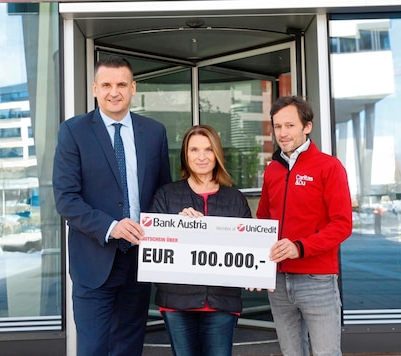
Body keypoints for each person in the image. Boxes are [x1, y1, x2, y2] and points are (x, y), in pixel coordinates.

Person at [52, 55, 172, 356]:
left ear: (133, 88)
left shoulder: (154, 132)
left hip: (140, 260)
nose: (113, 91)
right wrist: (112, 227)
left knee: (129, 346)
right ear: (95, 88)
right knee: (93, 348)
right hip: (94, 261)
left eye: (121, 84)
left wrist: (181, 214)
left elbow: (163, 193)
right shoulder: (73, 131)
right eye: (106, 84)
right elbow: (66, 199)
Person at [256, 95, 352, 356]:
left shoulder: (329, 167)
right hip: (277, 280)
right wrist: (257, 268)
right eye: (277, 127)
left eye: (290, 125)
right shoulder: (273, 170)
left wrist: (300, 248)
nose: (283, 133)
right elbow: (263, 220)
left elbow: (342, 225)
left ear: (306, 126)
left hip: (317, 279)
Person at [149, 124, 252, 356]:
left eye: (208, 149)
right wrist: (178, 225)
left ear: (217, 154)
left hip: (222, 302)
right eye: (194, 150)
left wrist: (256, 272)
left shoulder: (235, 199)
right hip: (177, 301)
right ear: (185, 155)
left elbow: (247, 247)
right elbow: (153, 245)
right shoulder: (167, 195)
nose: (202, 157)